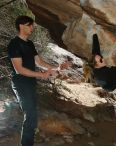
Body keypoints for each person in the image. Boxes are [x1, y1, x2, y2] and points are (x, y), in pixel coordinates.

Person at [7, 15, 70, 146]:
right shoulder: (14, 44)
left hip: (30, 83)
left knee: (32, 116)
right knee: (30, 116)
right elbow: (19, 69)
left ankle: (28, 142)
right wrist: (41, 75)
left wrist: (57, 67)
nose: (32, 28)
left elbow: (40, 62)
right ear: (21, 26)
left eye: (32, 25)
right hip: (20, 83)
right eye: (29, 25)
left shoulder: (29, 44)